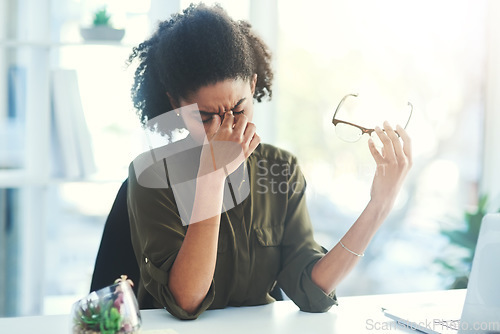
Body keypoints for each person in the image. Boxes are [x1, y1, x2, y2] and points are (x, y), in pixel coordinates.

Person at [126, 3, 412, 321]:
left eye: (238, 109)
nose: (228, 128)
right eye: (206, 117)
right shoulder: (151, 174)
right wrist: (212, 177)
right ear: (175, 104)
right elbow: (186, 302)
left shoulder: (281, 169)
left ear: (252, 85)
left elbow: (310, 292)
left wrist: (380, 204)